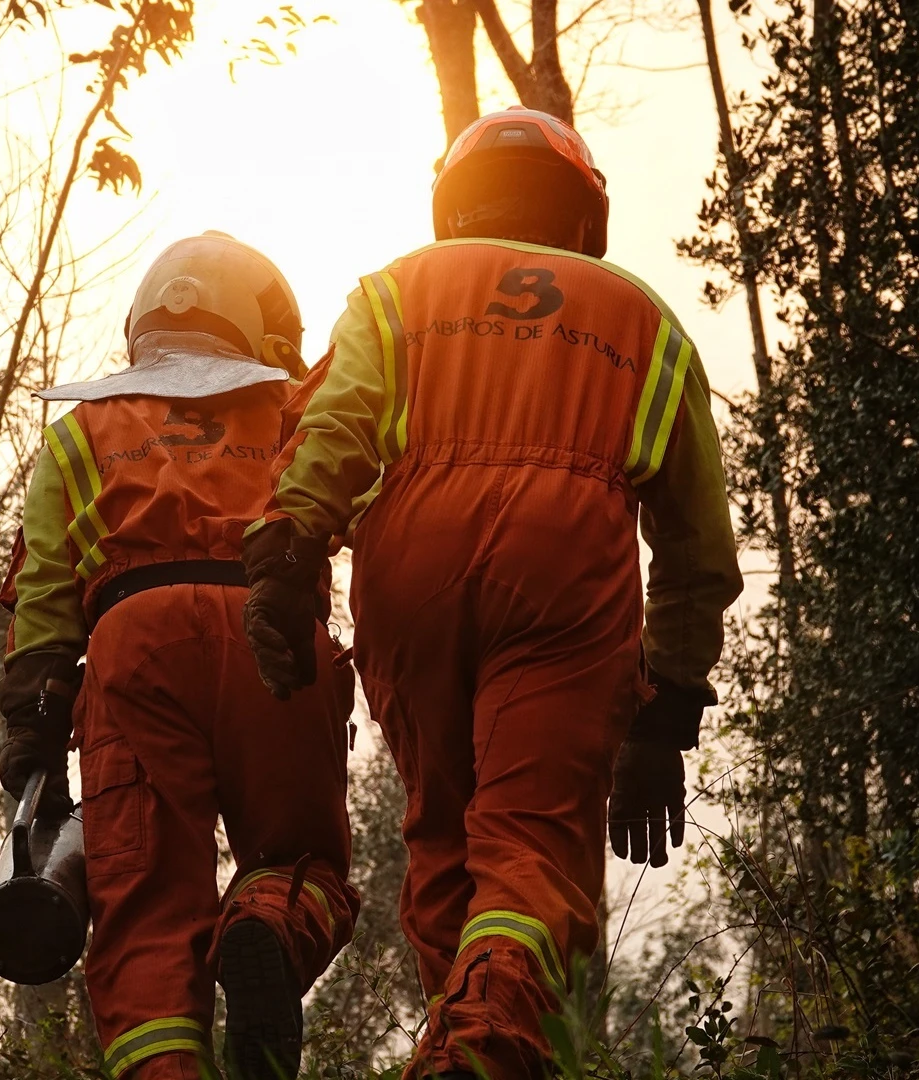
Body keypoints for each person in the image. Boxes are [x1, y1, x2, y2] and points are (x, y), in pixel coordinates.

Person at [239, 107, 742, 1079]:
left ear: (456, 204)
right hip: (564, 574)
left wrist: (289, 552)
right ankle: (482, 1051)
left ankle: (460, 1033)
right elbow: (694, 546)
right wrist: (666, 708)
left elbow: (334, 426)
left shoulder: (398, 291)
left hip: (410, 566)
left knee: (442, 835)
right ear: (584, 212)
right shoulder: (642, 318)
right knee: (533, 844)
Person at [0, 232, 358, 1080]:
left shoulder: (83, 430)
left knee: (146, 908)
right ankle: (267, 920)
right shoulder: (297, 407)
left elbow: (44, 583)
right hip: (274, 634)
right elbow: (361, 493)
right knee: (303, 862)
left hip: (135, 642)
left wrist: (35, 720)